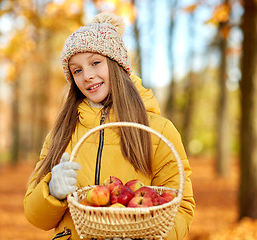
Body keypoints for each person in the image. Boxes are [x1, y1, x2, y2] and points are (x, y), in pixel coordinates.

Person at [24, 12, 195, 240]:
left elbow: (181, 208)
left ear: (117, 65)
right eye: (77, 70)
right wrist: (52, 192)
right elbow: (35, 217)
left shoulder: (159, 132)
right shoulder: (63, 132)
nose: (87, 76)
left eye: (96, 62)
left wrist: (152, 236)